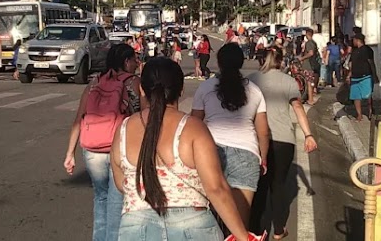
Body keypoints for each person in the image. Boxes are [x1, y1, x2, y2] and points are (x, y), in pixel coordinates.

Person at [111, 57, 250, 241]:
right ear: (181, 89)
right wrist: (242, 236)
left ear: (141, 90)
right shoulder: (193, 128)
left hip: (136, 226)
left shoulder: (123, 130)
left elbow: (122, 184)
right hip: (193, 226)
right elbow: (216, 188)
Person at [63, 44, 144, 241]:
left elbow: (79, 119)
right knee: (117, 204)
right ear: (126, 62)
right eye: (134, 59)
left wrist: (70, 153)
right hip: (119, 148)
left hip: (92, 149)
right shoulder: (133, 82)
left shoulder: (94, 82)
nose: (137, 63)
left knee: (101, 198)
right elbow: (143, 118)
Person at [191, 43, 270, 227]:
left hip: (210, 152)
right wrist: (263, 158)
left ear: (218, 63)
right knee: (240, 224)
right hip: (247, 154)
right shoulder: (255, 91)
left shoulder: (206, 87)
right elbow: (263, 131)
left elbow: (194, 124)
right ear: (241, 62)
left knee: (207, 218)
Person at [249, 47, 317, 239]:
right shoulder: (289, 81)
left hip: (255, 139)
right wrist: (308, 135)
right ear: (281, 61)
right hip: (283, 140)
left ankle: (253, 229)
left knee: (259, 185)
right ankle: (279, 230)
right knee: (278, 185)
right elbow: (298, 108)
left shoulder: (252, 80)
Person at [348, 34, 378, 121]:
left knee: (367, 95)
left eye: (353, 40)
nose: (352, 42)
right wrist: (349, 74)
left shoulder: (367, 50)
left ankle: (370, 111)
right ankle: (359, 114)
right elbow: (351, 64)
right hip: (355, 76)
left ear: (357, 40)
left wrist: (374, 74)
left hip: (366, 75)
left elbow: (371, 62)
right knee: (356, 96)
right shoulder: (354, 51)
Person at [298, 29, 320, 104]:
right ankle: (310, 97)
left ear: (307, 34)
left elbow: (311, 53)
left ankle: (310, 99)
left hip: (308, 65)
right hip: (312, 65)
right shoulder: (314, 42)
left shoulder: (309, 43)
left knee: (309, 82)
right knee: (310, 82)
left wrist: (302, 58)